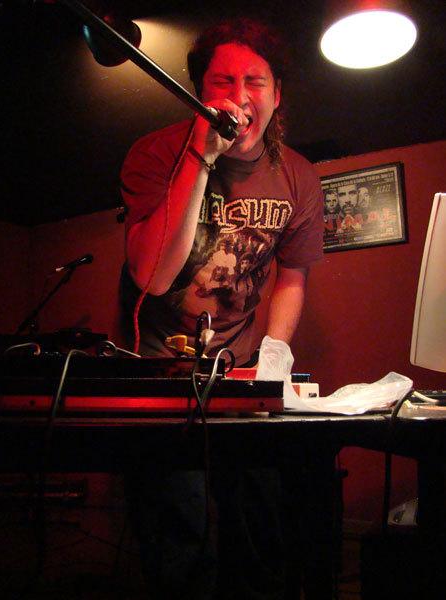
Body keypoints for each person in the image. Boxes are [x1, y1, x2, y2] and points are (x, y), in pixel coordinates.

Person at [119, 18, 325, 600]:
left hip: (238, 367)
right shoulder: (155, 153)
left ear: (276, 94)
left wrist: (273, 358)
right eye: (222, 81)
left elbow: (292, 277)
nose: (239, 96)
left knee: (258, 514)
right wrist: (201, 157)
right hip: (156, 365)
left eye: (254, 81)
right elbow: (152, 275)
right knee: (177, 523)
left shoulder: (299, 177)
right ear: (197, 91)